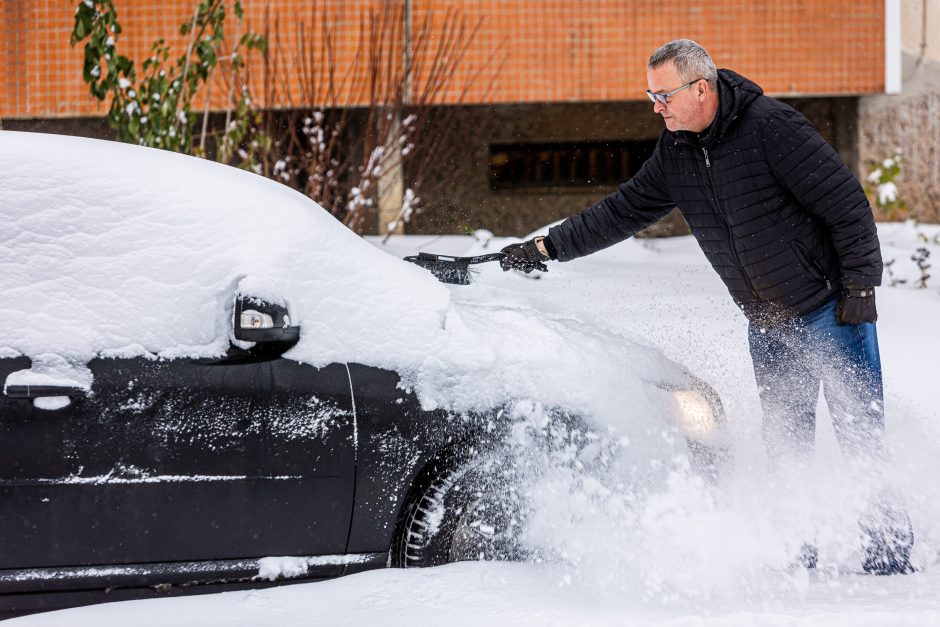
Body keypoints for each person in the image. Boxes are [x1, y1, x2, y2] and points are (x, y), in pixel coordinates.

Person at [499, 39, 913, 575]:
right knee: (786, 441)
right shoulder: (677, 151)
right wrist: (547, 248)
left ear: (700, 87)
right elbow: (622, 211)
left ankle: (887, 558)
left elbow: (847, 205)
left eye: (662, 94)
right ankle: (802, 551)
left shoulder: (772, 127)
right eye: (651, 95)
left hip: (830, 310)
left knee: (860, 432)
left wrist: (859, 290)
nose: (656, 106)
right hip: (767, 325)